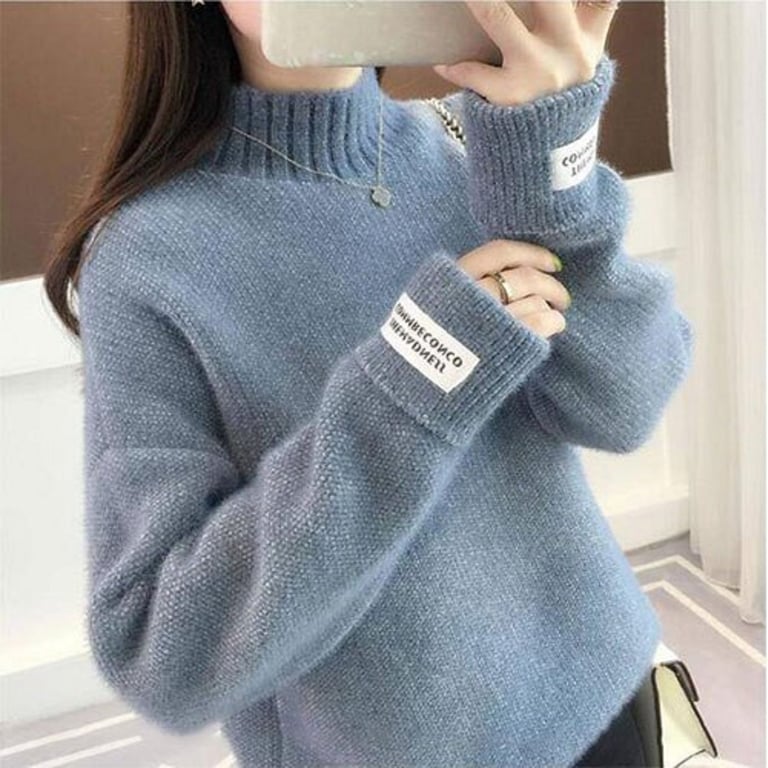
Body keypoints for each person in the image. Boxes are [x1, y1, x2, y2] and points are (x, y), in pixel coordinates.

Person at [43, 1, 688, 765]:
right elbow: (163, 655)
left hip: (609, 689)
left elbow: (625, 405)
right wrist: (416, 375)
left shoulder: (478, 142)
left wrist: (560, 181)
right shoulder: (147, 257)